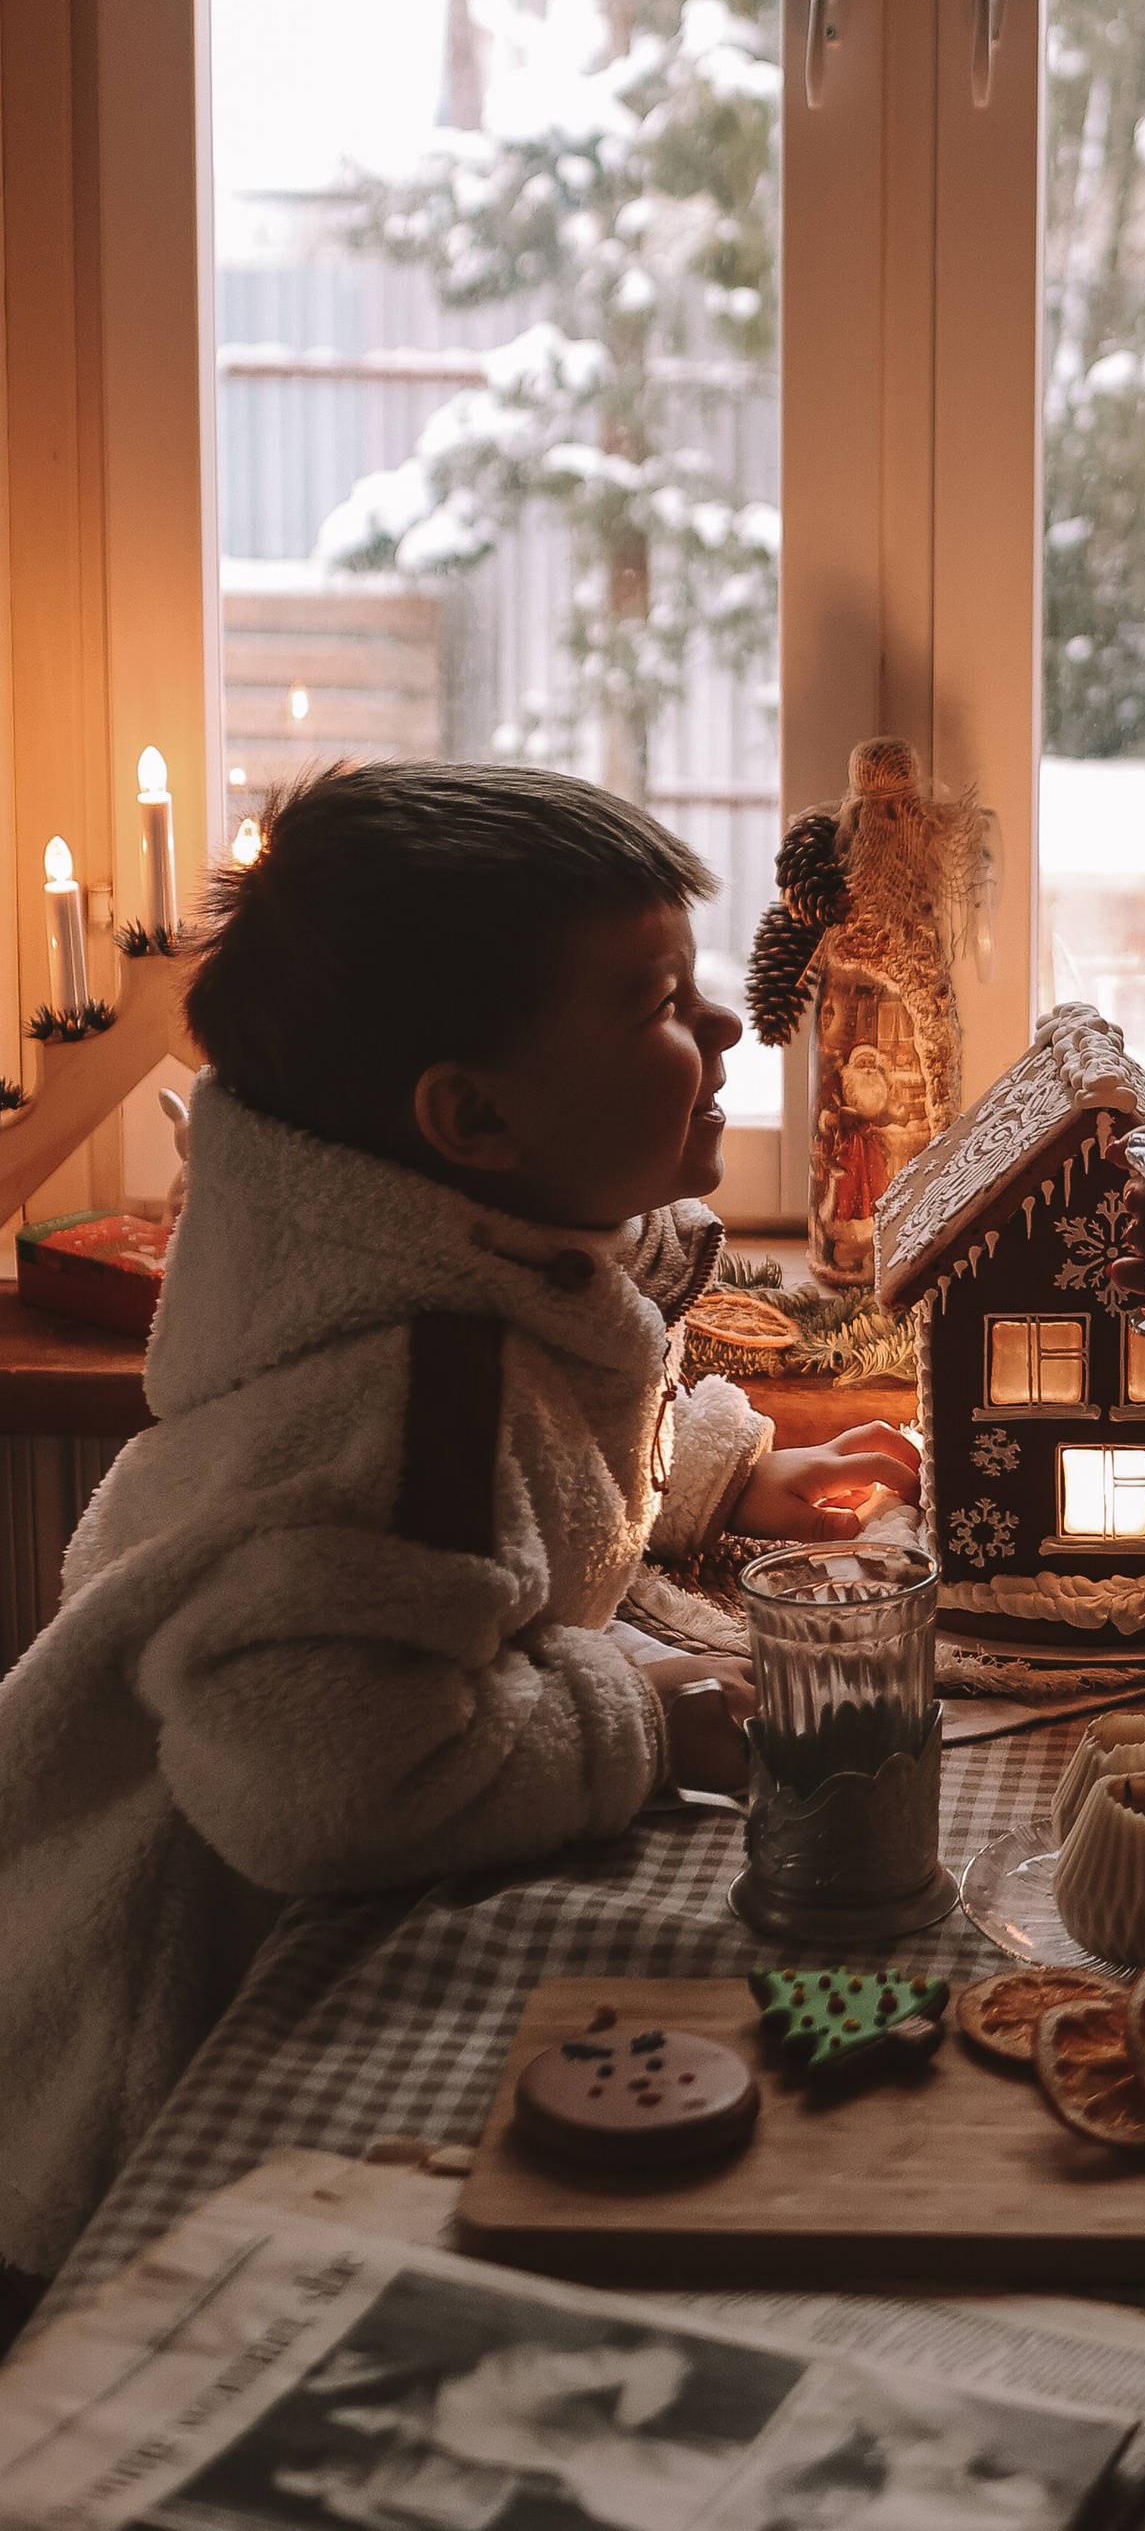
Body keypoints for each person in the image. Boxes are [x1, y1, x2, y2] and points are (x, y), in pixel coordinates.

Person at [0, 763, 919, 2290]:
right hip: (158, 2042)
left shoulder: (494, 1263)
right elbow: (331, 1778)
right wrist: (641, 1712)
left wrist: (714, 1480)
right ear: (476, 1116)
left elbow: (537, 1483)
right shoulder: (407, 1399)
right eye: (658, 1002)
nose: (727, 1033)